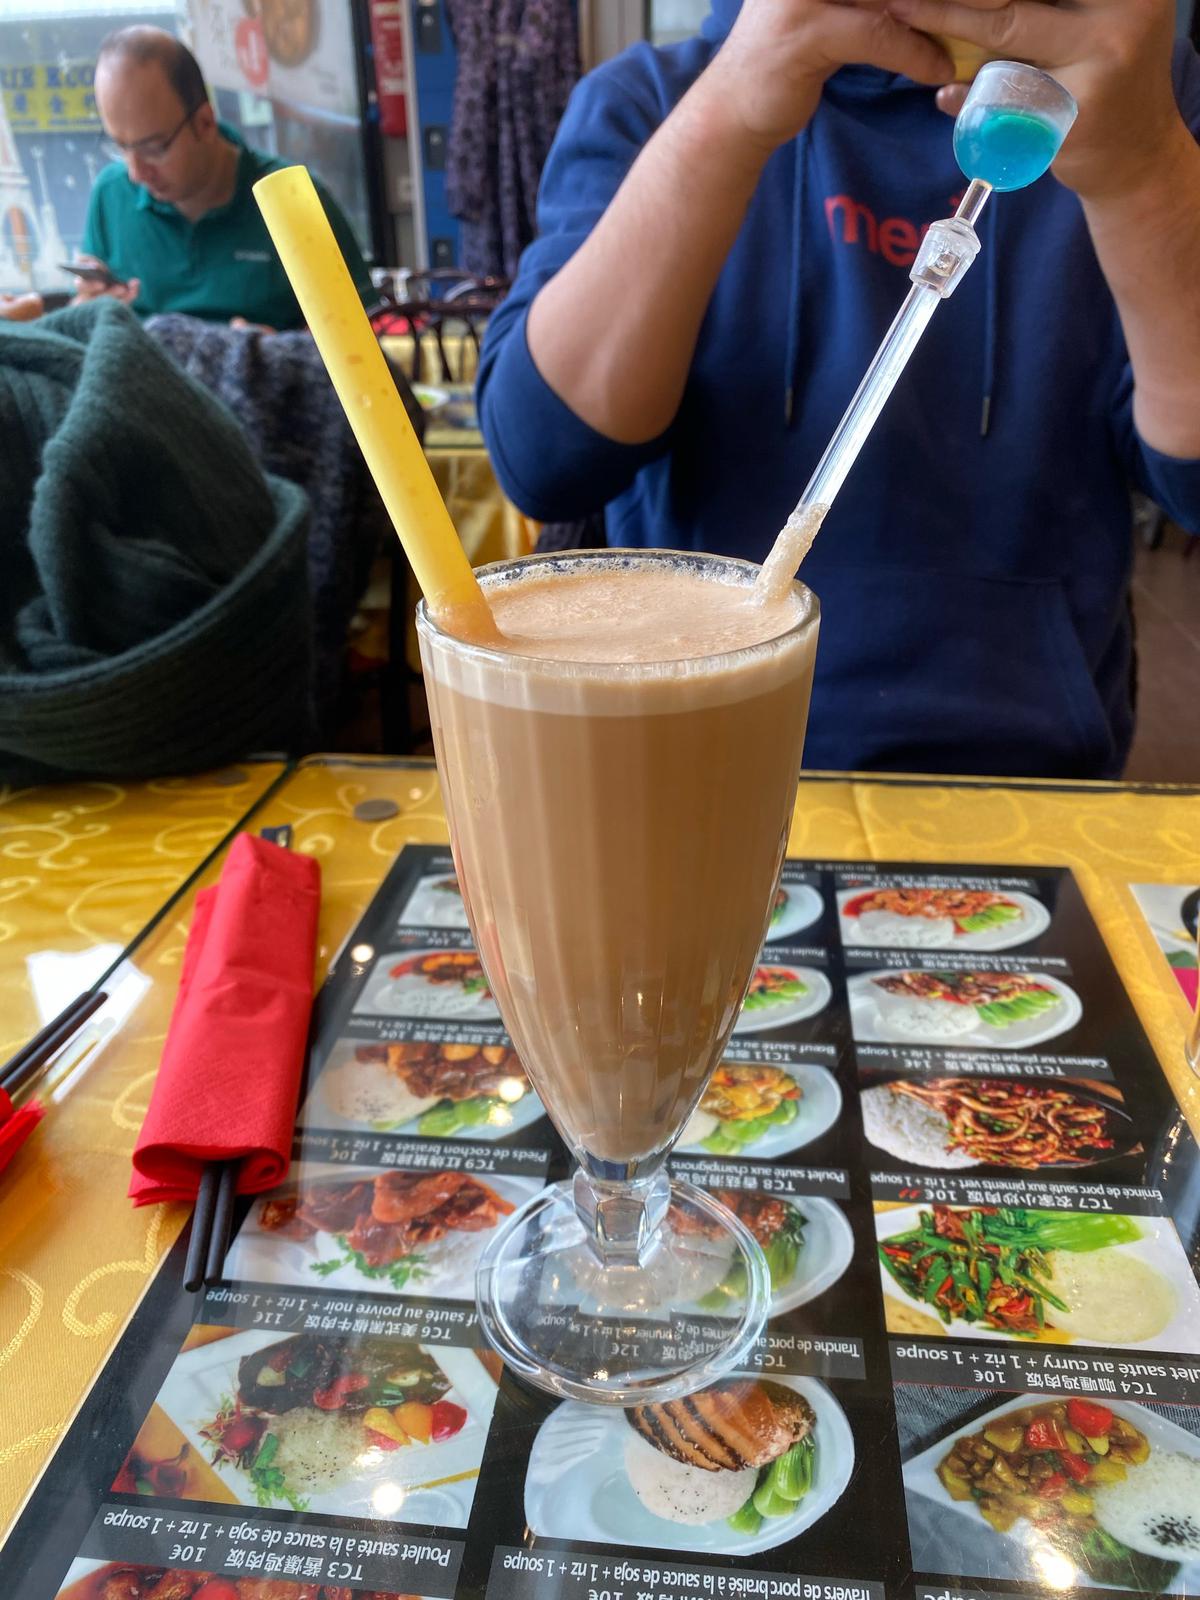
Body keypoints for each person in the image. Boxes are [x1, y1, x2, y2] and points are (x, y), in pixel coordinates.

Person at [476, 0, 1200, 779]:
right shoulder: (649, 99)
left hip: (1026, 774)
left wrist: (1143, 170)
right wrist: (730, 109)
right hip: (687, 753)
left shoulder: (1138, 93)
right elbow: (544, 460)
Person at [75, 25, 372, 330]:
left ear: (205, 123)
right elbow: (89, 328)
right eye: (121, 147)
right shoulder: (110, 194)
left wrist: (279, 349)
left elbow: (362, 335)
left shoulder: (294, 201)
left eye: (154, 149)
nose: (136, 173)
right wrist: (87, 308)